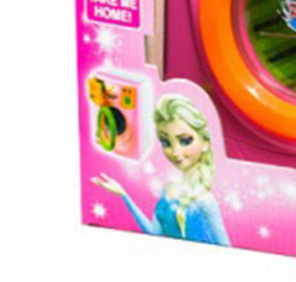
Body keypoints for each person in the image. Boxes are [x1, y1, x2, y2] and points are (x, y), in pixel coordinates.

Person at [92, 94, 230, 245]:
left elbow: (225, 245)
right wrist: (123, 195)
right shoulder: (167, 190)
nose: (175, 152)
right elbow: (153, 232)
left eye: (185, 141)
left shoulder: (206, 201)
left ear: (205, 143)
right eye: (166, 142)